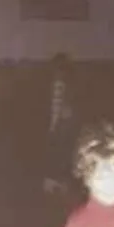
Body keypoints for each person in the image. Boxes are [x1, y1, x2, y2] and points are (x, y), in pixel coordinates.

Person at [42, 53, 79, 195]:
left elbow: (74, 112)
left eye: (62, 69)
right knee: (50, 153)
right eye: (57, 69)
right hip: (50, 128)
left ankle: (60, 184)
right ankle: (50, 183)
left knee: (62, 153)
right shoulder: (46, 87)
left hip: (64, 130)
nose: (59, 73)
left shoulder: (72, 89)